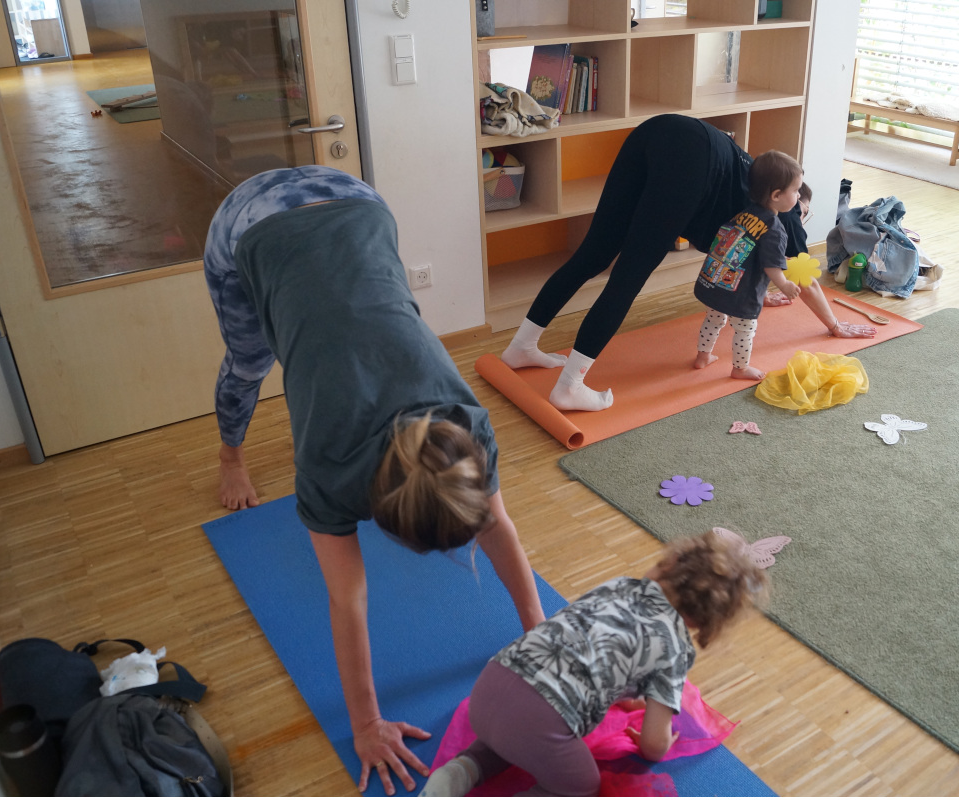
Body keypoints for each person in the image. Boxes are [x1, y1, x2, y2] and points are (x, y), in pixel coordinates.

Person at [203, 165, 545, 795]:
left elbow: (500, 527)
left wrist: (539, 630)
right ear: (375, 511)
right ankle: (230, 455)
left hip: (359, 206)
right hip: (252, 222)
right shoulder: (329, 468)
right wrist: (366, 724)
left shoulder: (466, 426)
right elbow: (347, 598)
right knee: (249, 361)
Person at [500, 114, 875, 413]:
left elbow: (743, 260)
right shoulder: (785, 216)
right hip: (691, 156)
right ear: (786, 198)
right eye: (801, 204)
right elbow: (804, 278)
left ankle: (522, 347)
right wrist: (834, 324)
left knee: (592, 254)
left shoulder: (756, 189)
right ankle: (569, 387)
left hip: (661, 129)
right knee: (629, 275)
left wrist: (761, 295)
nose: (802, 216)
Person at [419, 529, 768, 797]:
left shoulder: (619, 585)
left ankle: (458, 773)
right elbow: (653, 744)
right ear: (706, 621)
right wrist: (663, 738)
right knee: (584, 784)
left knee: (505, 741)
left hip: (490, 686)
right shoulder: (676, 648)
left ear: (668, 564)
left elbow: (595, 651)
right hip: (540, 721)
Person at [692, 151, 863, 381]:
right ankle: (740, 368)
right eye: (796, 191)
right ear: (776, 195)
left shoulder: (744, 214)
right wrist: (784, 285)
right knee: (745, 330)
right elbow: (772, 267)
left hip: (714, 282)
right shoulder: (774, 228)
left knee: (714, 319)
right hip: (739, 293)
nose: (798, 195)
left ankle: (703, 356)